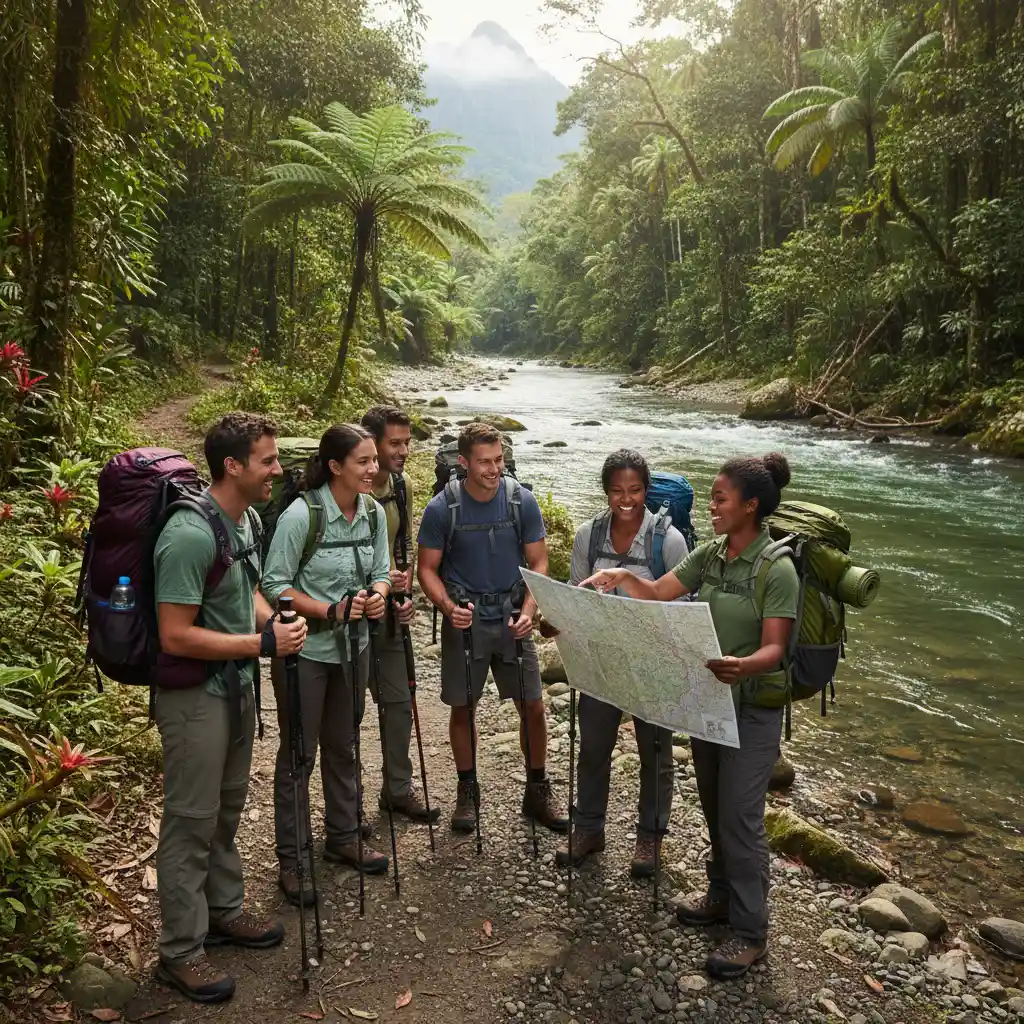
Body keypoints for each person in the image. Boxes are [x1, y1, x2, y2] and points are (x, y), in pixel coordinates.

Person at [582, 453, 798, 980]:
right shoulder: (712, 553)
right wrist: (617, 575)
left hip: (753, 710)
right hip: (711, 703)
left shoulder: (778, 568)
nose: (711, 507)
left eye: (720, 499)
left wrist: (743, 666)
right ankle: (720, 897)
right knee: (714, 808)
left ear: (751, 506)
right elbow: (658, 592)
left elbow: (775, 649)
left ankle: (750, 933)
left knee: (741, 819)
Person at [154, 412, 307, 1003]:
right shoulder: (191, 535)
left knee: (225, 808)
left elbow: (248, 597)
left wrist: (277, 620)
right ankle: (180, 950)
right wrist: (260, 644)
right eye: (268, 461)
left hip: (234, 687)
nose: (279, 469)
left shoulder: (241, 521)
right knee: (191, 819)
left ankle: (223, 911)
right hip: (194, 696)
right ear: (232, 467)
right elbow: (175, 634)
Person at [262, 424, 392, 906]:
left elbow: (380, 572)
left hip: (353, 648)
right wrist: (328, 610)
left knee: (346, 743)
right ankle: (293, 860)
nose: (373, 469)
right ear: (335, 466)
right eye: (362, 462)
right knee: (299, 753)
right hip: (306, 652)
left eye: (374, 460)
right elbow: (274, 585)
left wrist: (377, 597)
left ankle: (343, 837)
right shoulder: (303, 515)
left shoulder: (374, 512)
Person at [417, 421, 568, 835]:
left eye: (499, 459)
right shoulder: (441, 509)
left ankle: (537, 788)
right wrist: (448, 607)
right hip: (463, 619)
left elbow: (539, 562)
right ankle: (468, 791)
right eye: (484, 462)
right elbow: (426, 570)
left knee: (534, 705)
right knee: (463, 707)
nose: (494, 469)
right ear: (464, 463)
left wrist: (530, 608)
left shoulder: (522, 501)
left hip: (512, 616)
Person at [555, 450, 688, 877]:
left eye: (634, 490)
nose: (625, 499)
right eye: (617, 491)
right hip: (601, 661)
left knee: (655, 751)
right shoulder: (588, 536)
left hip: (652, 662)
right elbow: (575, 594)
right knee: (593, 746)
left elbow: (681, 606)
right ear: (606, 492)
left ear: (646, 491)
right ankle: (589, 828)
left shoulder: (668, 540)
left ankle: (650, 838)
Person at [360, 405, 438, 823]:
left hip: (389, 609)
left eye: (407, 442)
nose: (404, 450)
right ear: (370, 442)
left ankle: (397, 789)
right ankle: (345, 808)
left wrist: (402, 587)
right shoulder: (348, 485)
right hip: (348, 614)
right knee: (348, 713)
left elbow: (400, 546)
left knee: (399, 702)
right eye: (395, 443)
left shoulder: (402, 486)